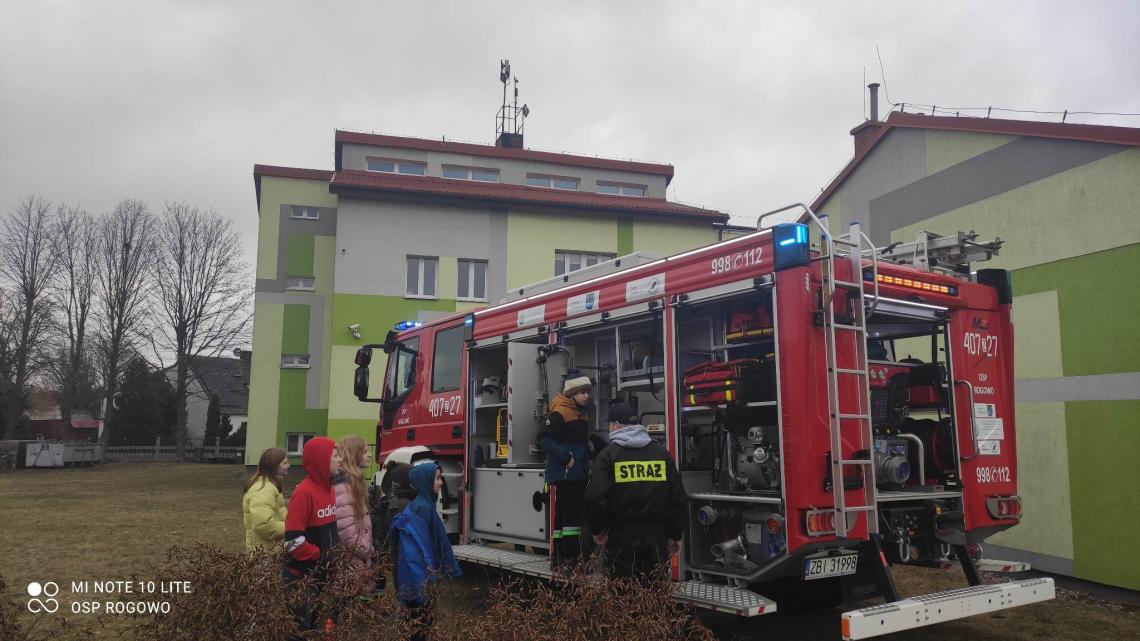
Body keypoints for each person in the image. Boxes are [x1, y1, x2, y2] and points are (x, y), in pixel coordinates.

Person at [584, 402, 687, 580]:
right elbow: (677, 498)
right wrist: (675, 534)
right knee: (654, 594)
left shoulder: (608, 456)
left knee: (623, 597)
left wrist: (598, 529)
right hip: (657, 537)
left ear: (616, 425)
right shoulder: (661, 454)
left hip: (621, 537)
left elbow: (594, 498)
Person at [390, 461, 461, 641]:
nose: (441, 483)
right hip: (417, 584)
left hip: (416, 581)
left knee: (416, 627)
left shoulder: (423, 505)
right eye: (437, 478)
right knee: (418, 628)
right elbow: (419, 551)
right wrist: (424, 588)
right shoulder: (423, 508)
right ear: (425, 480)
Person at [283, 436, 342, 632]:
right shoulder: (304, 492)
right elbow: (292, 542)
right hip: (302, 576)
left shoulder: (330, 490)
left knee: (316, 626)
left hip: (321, 574)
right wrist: (321, 555)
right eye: (335, 455)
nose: (340, 459)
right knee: (300, 630)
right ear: (321, 459)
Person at [538, 374, 593, 569]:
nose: (587, 396)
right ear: (572, 394)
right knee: (572, 516)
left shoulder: (579, 412)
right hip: (567, 473)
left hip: (575, 473)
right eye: (582, 392)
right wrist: (566, 457)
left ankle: (558, 558)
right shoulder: (560, 413)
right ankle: (570, 558)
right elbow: (544, 439)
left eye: (587, 392)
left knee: (562, 516)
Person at [333, 436, 375, 595]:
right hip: (352, 557)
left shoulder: (354, 481)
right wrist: (365, 548)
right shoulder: (344, 484)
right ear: (353, 454)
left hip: (356, 557)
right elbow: (344, 526)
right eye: (364, 452)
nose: (369, 455)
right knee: (346, 603)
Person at [243, 447, 289, 551]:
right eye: (285, 463)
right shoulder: (263, 489)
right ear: (274, 465)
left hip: (270, 548)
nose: (288, 465)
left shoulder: (270, 485)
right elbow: (264, 525)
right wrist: (290, 527)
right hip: (264, 552)